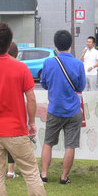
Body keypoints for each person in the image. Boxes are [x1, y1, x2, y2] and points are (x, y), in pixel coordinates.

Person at [0, 22, 63, 196]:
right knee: (31, 173)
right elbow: (31, 99)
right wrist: (31, 122)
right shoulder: (20, 68)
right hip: (16, 130)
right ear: (9, 45)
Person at [40, 30, 86, 184]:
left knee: (48, 143)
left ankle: (44, 174)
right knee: (70, 145)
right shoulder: (78, 64)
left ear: (55, 45)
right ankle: (64, 177)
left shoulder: (48, 62)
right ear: (70, 44)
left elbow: (44, 83)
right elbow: (80, 86)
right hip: (73, 110)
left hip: (54, 110)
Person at [5, 42, 20, 179]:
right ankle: (10, 170)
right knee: (12, 143)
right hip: (13, 112)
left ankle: (2, 171)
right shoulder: (19, 68)